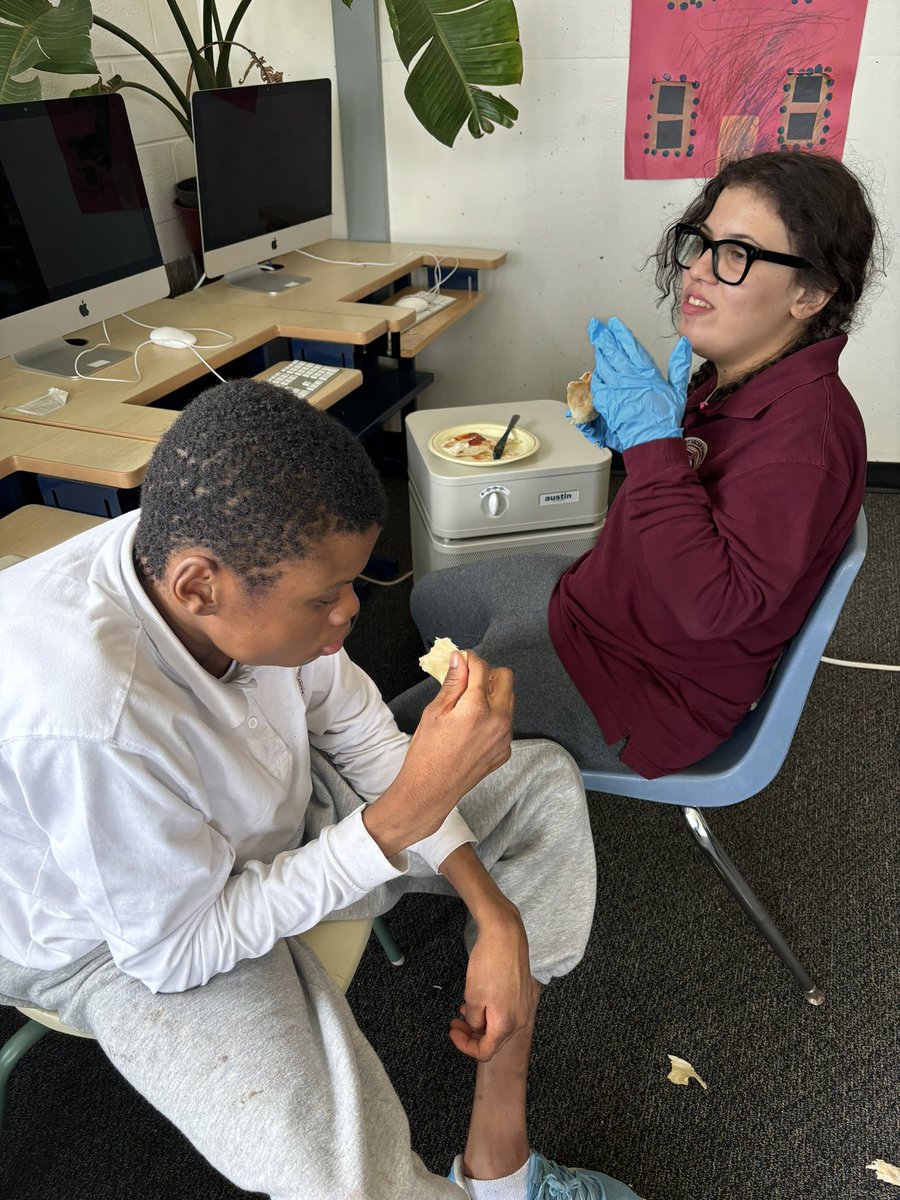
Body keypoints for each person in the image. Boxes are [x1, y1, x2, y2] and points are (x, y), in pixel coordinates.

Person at [0, 381, 642, 1200]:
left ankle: (500, 1159)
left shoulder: (210, 552)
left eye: (351, 584)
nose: (351, 613)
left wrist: (494, 913)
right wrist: (399, 818)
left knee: (542, 782)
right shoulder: (86, 714)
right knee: (339, 1179)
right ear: (199, 587)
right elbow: (178, 948)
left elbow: (358, 732)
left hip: (276, 819)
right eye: (323, 597)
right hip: (126, 940)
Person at [391, 150, 878, 780]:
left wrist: (654, 446)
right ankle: (478, 741)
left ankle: (475, 783)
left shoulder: (803, 446)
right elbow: (697, 490)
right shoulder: (741, 374)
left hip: (639, 692)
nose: (699, 270)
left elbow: (712, 607)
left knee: (388, 752)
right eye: (702, 242)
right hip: (601, 604)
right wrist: (637, 439)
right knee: (431, 598)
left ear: (812, 293)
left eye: (739, 254)